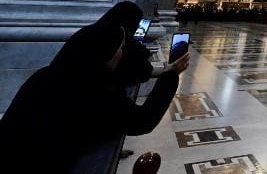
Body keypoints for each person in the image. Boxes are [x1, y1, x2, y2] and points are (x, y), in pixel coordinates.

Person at [0, 23, 189, 172]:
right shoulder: (92, 93)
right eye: (119, 49)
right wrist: (170, 76)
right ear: (104, 56)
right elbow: (143, 121)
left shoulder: (48, 75)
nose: (122, 53)